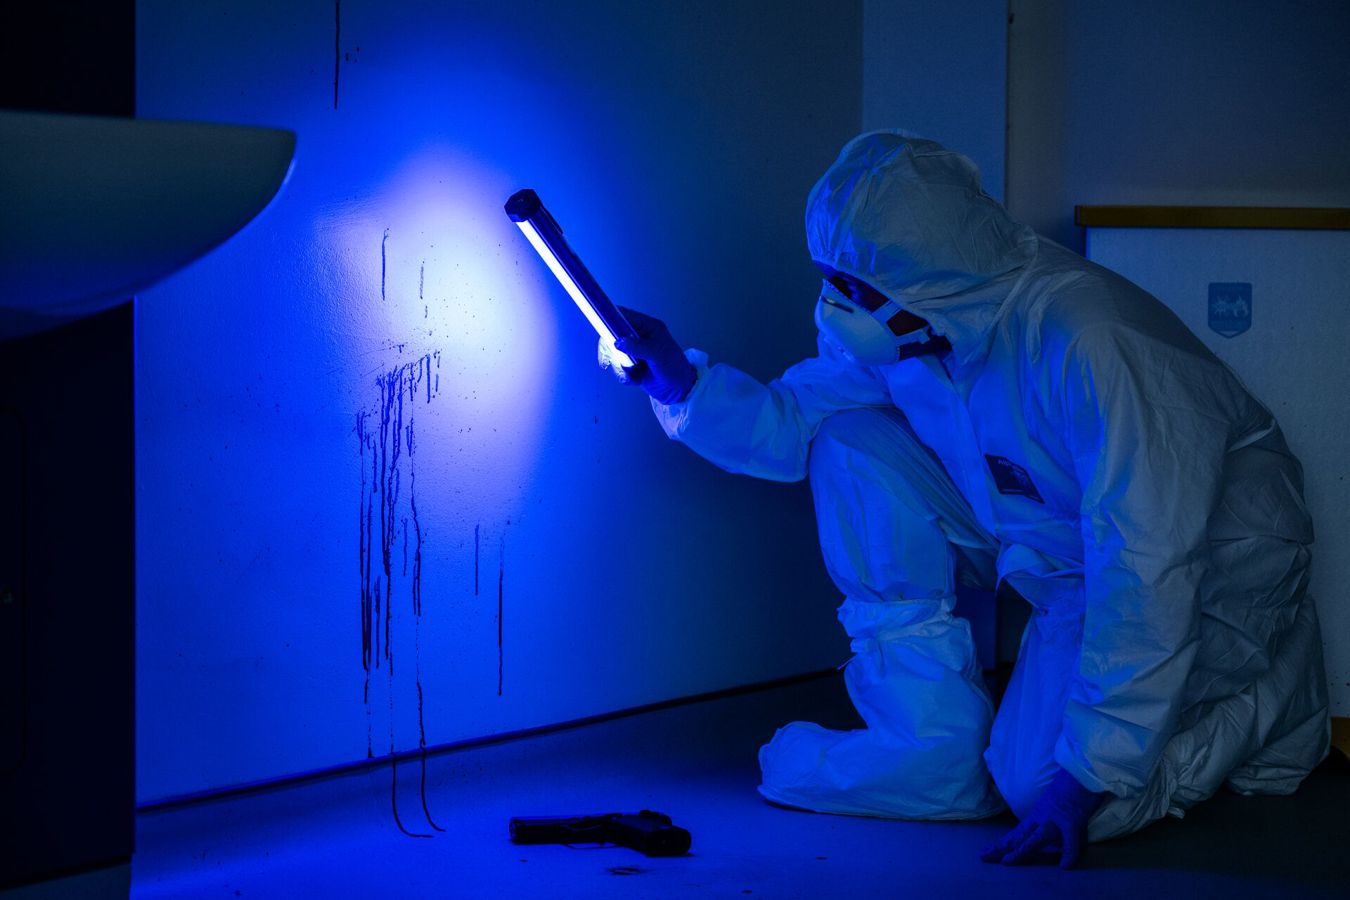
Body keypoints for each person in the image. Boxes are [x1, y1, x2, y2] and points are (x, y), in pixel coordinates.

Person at [604, 132, 1330, 867]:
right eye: (830, 277)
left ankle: (1274, 692)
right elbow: (794, 424)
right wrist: (679, 385)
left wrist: (1088, 778)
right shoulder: (914, 320)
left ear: (928, 278)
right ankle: (930, 741)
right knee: (849, 443)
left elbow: (1147, 565)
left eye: (850, 287)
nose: (832, 305)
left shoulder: (1090, 341)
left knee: (1061, 794)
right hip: (1051, 546)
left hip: (1217, 568)